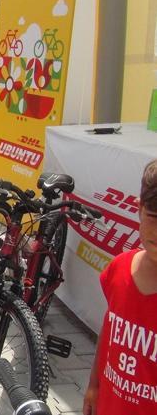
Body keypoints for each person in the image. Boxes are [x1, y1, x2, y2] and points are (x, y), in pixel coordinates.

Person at [83, 160, 157, 415]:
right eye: (154, 217)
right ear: (139, 209)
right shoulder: (119, 268)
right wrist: (94, 384)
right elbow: (110, 329)